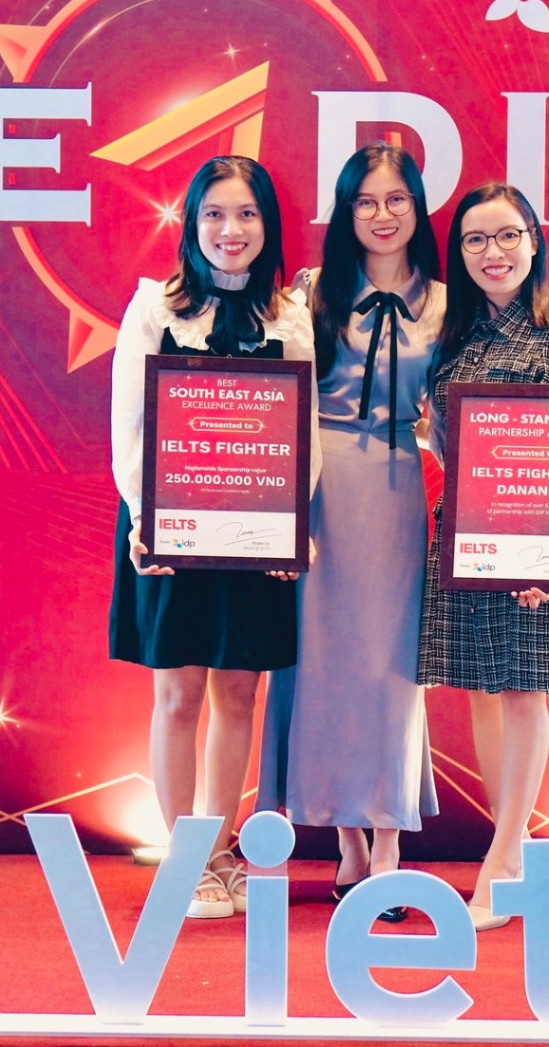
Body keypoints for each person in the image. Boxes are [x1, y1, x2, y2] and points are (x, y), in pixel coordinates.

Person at [107, 155, 318, 920]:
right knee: (177, 694)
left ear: (268, 224)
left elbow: (303, 431)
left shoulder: (289, 315)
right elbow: (130, 425)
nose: (231, 230)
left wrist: (295, 524)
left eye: (247, 214)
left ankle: (221, 851)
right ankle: (185, 859)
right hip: (167, 529)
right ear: (192, 224)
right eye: (215, 215)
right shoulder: (154, 307)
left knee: (238, 691)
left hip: (257, 531)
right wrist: (146, 521)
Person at [260, 144, 443, 918]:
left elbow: (454, 417)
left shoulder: (446, 302)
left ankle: (389, 841)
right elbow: (279, 400)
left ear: (417, 208)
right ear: (345, 212)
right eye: (364, 200)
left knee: (389, 666)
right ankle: (347, 844)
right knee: (322, 660)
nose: (381, 214)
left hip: (397, 488)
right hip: (319, 488)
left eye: (396, 199)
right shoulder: (309, 292)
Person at [419, 181, 549, 932]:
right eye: (475, 240)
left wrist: (545, 556)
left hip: (536, 543)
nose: (492, 252)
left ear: (533, 241)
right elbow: (446, 444)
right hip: (467, 535)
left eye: (506, 235)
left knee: (525, 691)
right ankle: (509, 845)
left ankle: (504, 860)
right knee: (481, 690)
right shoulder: (449, 337)